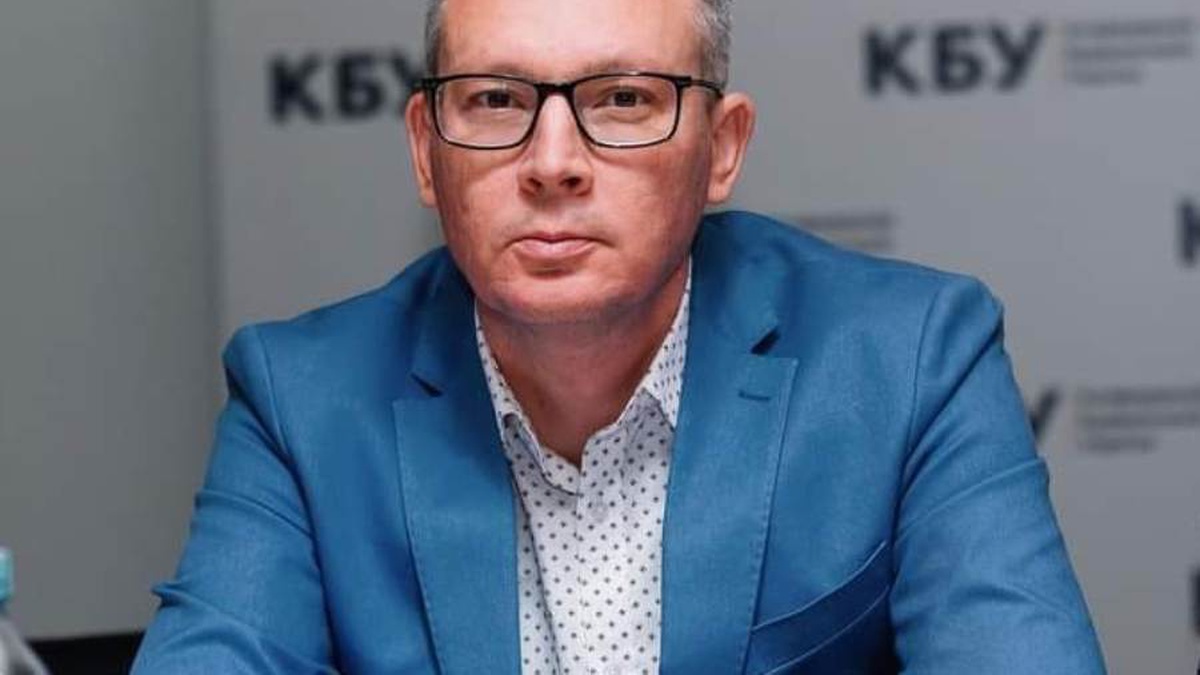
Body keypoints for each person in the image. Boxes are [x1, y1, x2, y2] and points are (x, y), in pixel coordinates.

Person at [133, 0, 1107, 673]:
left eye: (623, 100)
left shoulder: (911, 360)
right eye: (496, 100)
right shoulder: (302, 400)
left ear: (722, 148)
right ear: (426, 151)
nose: (552, 162)